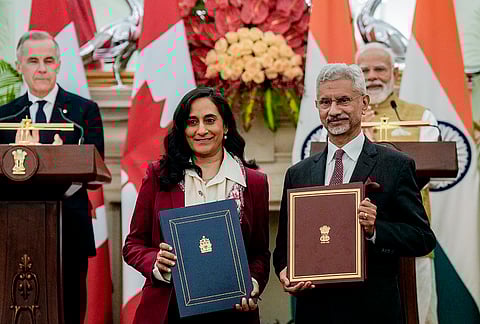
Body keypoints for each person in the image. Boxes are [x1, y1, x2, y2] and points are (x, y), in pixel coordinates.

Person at [273, 63, 436, 324]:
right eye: (325, 102)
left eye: (344, 100)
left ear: (364, 103)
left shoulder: (395, 165)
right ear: (316, 107)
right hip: (314, 312)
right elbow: (283, 250)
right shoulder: (299, 174)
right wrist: (285, 272)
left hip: (372, 312)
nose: (334, 111)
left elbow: (422, 238)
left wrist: (375, 230)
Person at [123, 86, 270, 324]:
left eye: (209, 120)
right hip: (168, 311)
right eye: (192, 122)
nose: (201, 130)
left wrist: (251, 284)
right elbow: (133, 245)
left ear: (226, 127)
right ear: (183, 129)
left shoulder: (254, 182)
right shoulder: (158, 176)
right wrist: (156, 262)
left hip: (231, 312)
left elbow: (259, 254)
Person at [0, 30, 105, 323]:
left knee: (70, 310)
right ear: (19, 65)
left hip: (69, 225)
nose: (42, 68)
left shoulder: (85, 112)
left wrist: (52, 156)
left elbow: (97, 169)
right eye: (33, 61)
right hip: (13, 227)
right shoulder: (4, 116)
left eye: (49, 60)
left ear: (59, 64)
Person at [356, 42, 439, 324]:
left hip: (408, 236)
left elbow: (425, 174)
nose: (372, 76)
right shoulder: (343, 121)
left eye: (380, 68)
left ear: (395, 73)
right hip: (355, 242)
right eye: (364, 70)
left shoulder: (421, 118)